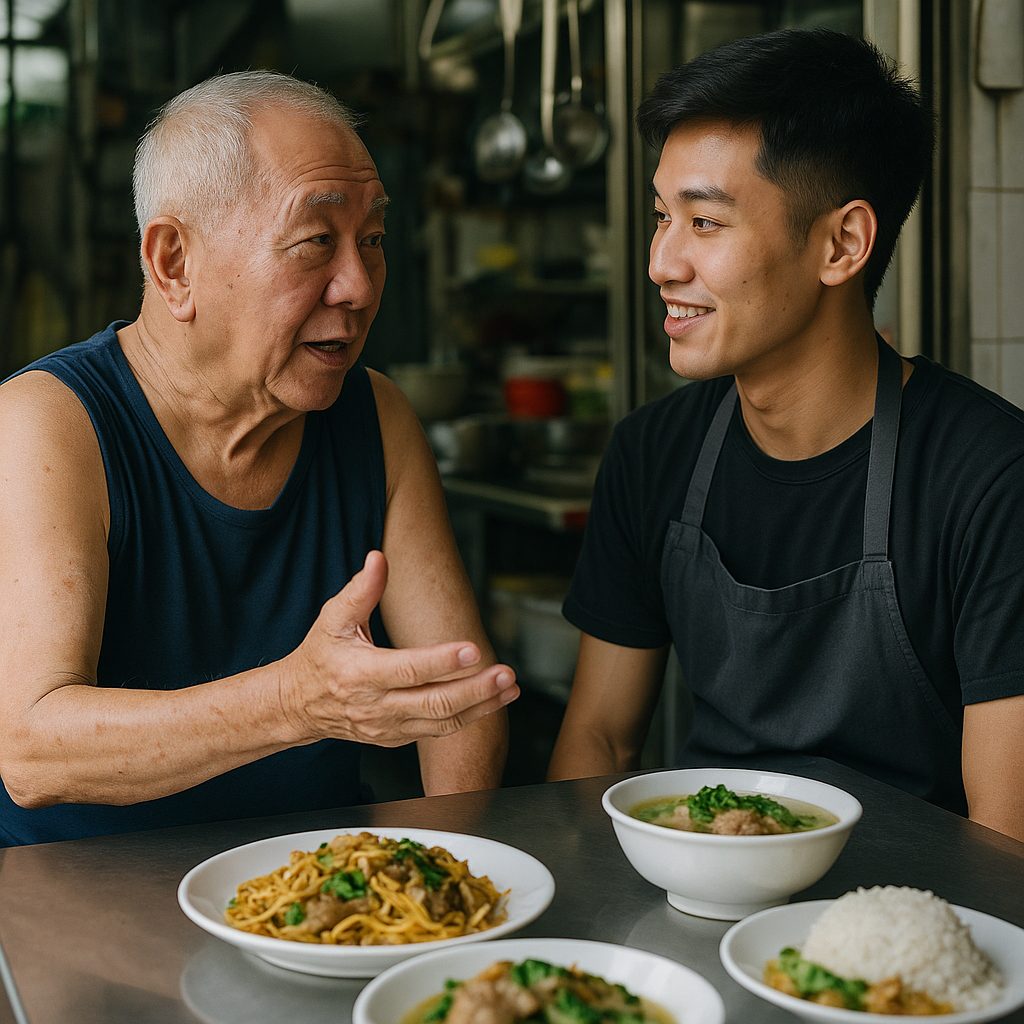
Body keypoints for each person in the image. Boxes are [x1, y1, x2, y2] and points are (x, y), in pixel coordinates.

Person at [0, 70, 518, 846]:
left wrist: (436, 887)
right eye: (316, 242)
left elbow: (456, 697)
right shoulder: (50, 422)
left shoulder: (373, 415)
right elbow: (33, 748)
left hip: (316, 894)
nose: (358, 285)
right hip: (87, 905)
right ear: (174, 262)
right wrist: (294, 702)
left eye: (371, 241)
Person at [548, 29, 1024, 841]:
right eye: (662, 217)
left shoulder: (989, 476)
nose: (662, 260)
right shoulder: (651, 453)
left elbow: (1008, 839)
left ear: (842, 244)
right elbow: (598, 737)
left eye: (704, 222)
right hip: (697, 891)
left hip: (908, 927)